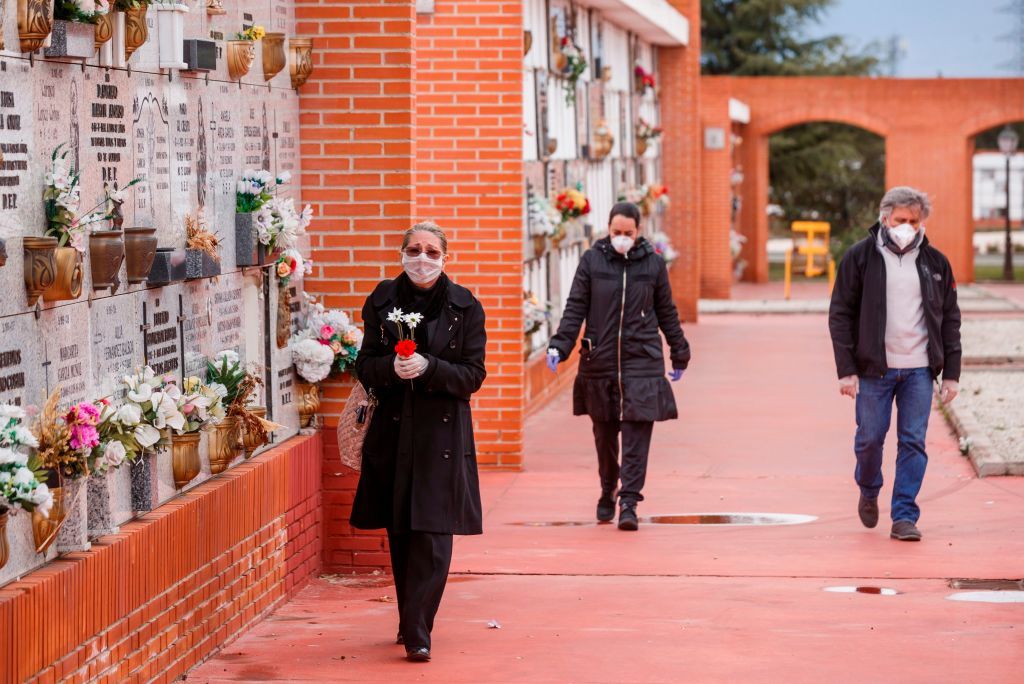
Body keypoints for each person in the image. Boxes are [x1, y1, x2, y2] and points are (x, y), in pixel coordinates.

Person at [350, 221, 486, 662]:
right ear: (401, 253)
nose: (421, 258)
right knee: (402, 531)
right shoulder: (382, 300)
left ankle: (417, 630)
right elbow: (365, 364)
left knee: (433, 532)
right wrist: (394, 367)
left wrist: (429, 369)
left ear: (446, 257)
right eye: (414, 249)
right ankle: (412, 616)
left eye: (431, 251)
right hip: (393, 431)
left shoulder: (466, 307)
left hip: (441, 433)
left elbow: (472, 375)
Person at [546, 202, 691, 531]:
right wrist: (560, 344)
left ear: (638, 232)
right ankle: (607, 488)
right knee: (605, 436)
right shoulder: (592, 261)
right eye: (616, 233)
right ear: (607, 230)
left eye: (628, 233)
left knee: (638, 435)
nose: (621, 239)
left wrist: (679, 351)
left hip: (643, 361)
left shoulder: (653, 264)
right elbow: (575, 308)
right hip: (601, 362)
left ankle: (629, 501)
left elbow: (666, 311)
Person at [829, 186, 962, 542]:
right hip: (875, 369)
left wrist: (951, 374)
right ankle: (869, 488)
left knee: (913, 442)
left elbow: (949, 318)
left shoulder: (935, 263)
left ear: (922, 223)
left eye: (913, 221)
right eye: (900, 220)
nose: (906, 226)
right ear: (885, 217)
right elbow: (840, 314)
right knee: (870, 439)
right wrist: (846, 369)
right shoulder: (860, 258)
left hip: (919, 369)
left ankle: (904, 515)